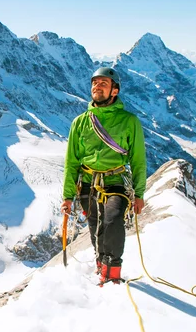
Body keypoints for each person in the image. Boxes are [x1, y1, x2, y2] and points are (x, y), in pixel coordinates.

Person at [61, 67, 147, 285]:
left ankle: (113, 271)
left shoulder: (130, 121)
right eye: (95, 83)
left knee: (112, 219)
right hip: (88, 183)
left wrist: (139, 193)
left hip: (116, 181)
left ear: (114, 91)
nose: (97, 87)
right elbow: (72, 162)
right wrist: (68, 197)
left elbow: (137, 160)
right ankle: (102, 266)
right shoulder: (80, 122)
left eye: (103, 83)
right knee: (95, 228)